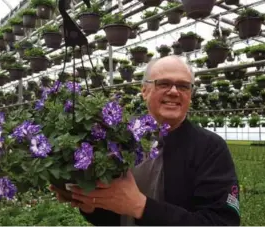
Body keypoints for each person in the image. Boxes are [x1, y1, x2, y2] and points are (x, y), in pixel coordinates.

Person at [50, 56, 241, 226]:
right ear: (144, 91)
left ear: (190, 94)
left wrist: (141, 207)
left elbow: (222, 221)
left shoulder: (209, 147)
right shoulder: (120, 140)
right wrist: (91, 206)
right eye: (163, 84)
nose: (174, 91)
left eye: (183, 86)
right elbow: (116, 217)